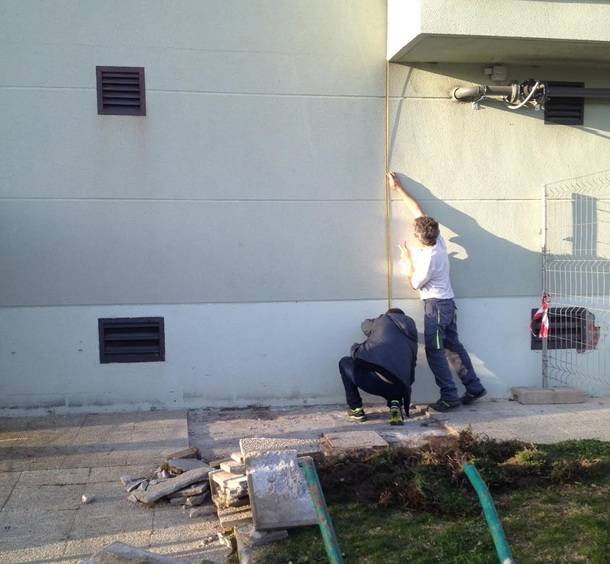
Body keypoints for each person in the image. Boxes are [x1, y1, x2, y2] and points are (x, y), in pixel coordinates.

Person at [387, 171, 487, 411]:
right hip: (447, 304)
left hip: (436, 307)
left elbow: (414, 282)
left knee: (434, 351)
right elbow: (417, 210)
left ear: (421, 239)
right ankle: (474, 386)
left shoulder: (429, 260)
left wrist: (406, 259)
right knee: (454, 345)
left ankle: (449, 396)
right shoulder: (437, 240)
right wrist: (397, 188)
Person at [339, 308, 417, 425]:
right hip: (399, 387)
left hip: (374, 382)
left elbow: (364, 326)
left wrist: (379, 320)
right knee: (396, 372)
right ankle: (395, 405)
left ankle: (356, 410)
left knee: (344, 362)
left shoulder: (383, 319)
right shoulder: (412, 334)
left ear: (389, 315)